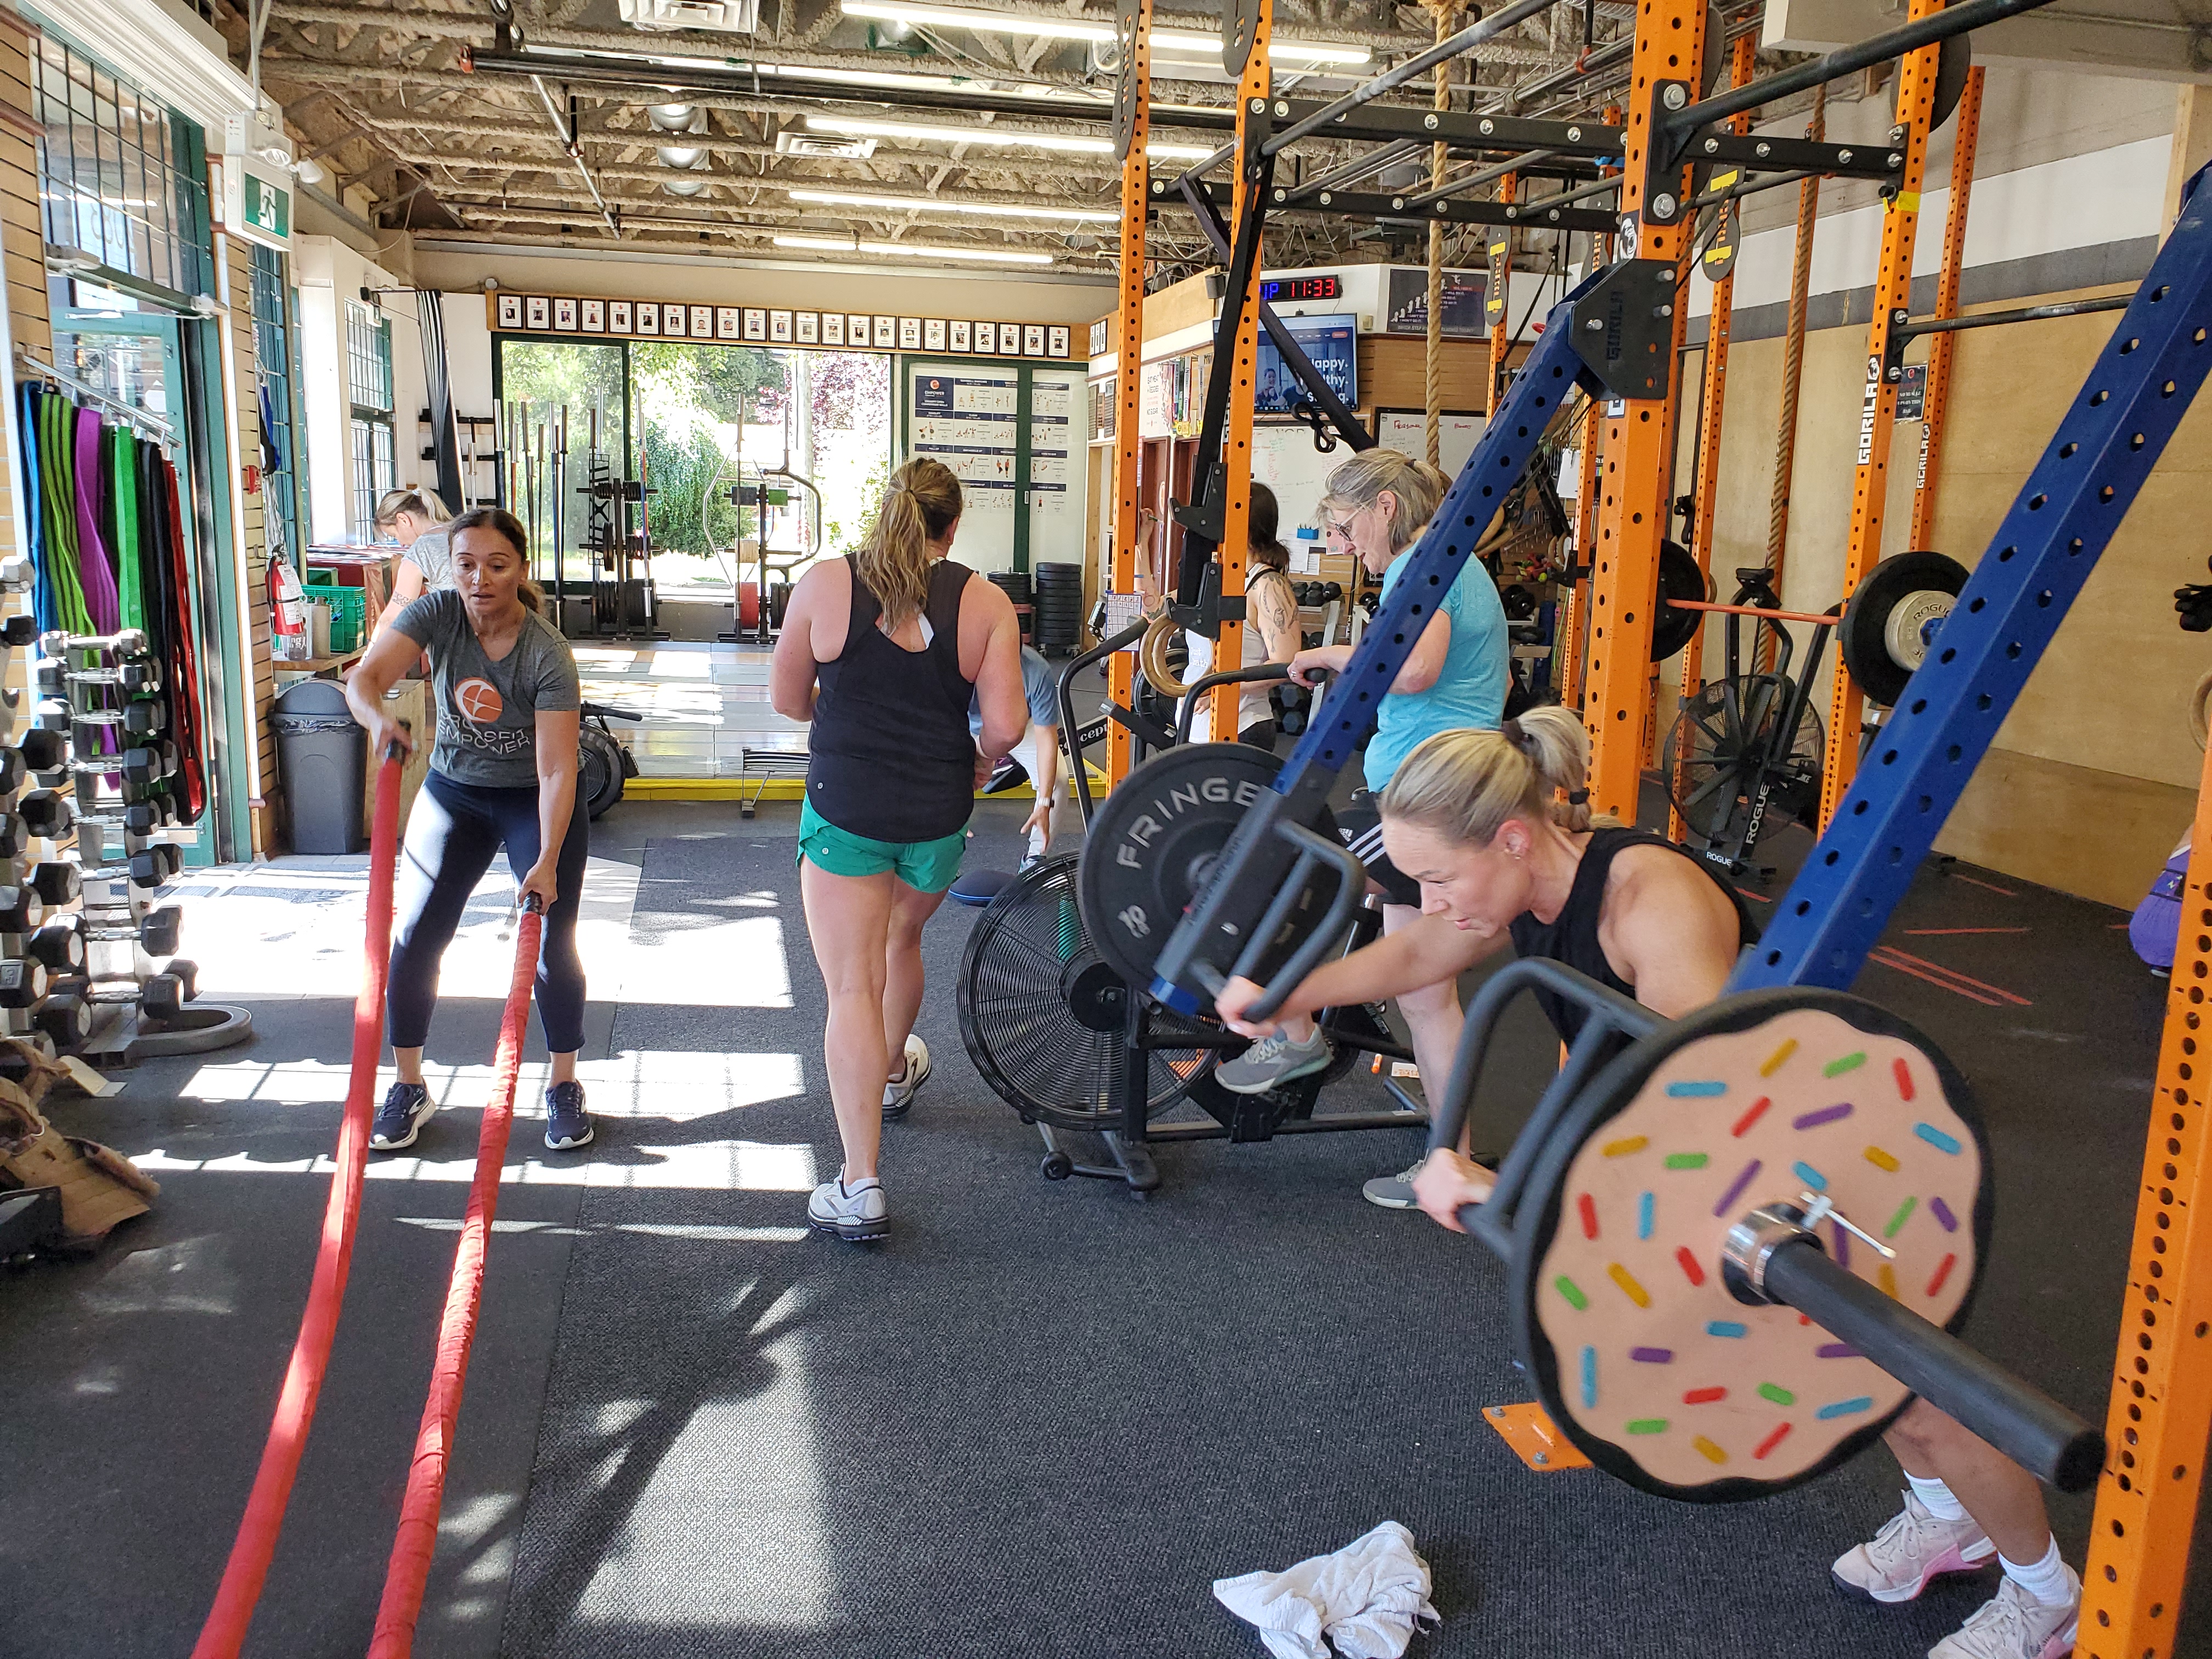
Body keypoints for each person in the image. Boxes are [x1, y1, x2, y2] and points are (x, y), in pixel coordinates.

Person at [1216, 714, 2081, 1659]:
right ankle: (1947, 1520)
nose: (1432, 899)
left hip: (1825, 1153)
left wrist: (1506, 1182)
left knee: (1914, 1392)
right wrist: (1292, 994)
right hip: (1728, 1163)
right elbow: (1423, 952)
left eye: (1437, 877)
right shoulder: (1519, 886)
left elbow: (1687, 1095)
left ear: (1510, 836)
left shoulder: (1648, 896)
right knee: (1855, 1382)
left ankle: (2049, 1593)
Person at [1212, 448, 1511, 1212]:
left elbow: (1413, 671)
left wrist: (1332, 653)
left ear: (1385, 506)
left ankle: (1297, 1030)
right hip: (1429, 792)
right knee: (1425, 995)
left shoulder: (1430, 564)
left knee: (1295, 875)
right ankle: (1452, 1160)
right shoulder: (1441, 564)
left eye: (1345, 527)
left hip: (1428, 803)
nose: (1343, 544)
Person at [771, 456, 1027, 1243]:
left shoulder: (825, 585)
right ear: (951, 528)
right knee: (902, 938)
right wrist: (979, 757)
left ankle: (859, 1183)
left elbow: (788, 702)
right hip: (937, 812)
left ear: (884, 514)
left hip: (848, 808)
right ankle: (887, 1074)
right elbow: (1010, 729)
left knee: (852, 986)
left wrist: (845, 713)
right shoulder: (985, 602)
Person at [345, 506, 594, 1155]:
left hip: (528, 798)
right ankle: (408, 1085)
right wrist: (379, 723)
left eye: (496, 565)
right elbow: (364, 679)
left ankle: (564, 1084)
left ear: (521, 570)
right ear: (450, 567)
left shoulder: (547, 654)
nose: (479, 578)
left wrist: (544, 861)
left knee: (548, 943)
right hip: (454, 792)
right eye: (466, 564)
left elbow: (558, 773)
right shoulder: (437, 614)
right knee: (418, 933)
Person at [1181, 482, 1304, 752]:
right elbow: (1158, 610)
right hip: (1196, 728)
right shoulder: (1221, 577)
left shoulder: (1268, 584)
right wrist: (1142, 545)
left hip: (1241, 729)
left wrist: (1222, 688)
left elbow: (1285, 662)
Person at [975, 643, 1063, 865]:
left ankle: (1034, 862)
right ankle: (944, 853)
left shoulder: (1036, 670)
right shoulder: (964, 662)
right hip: (971, 728)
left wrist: (1044, 803)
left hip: (1024, 726)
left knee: (1058, 783)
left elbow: (1046, 738)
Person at [371, 487, 457, 631]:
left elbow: (392, 619)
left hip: (457, 643)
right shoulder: (463, 531)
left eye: (395, 535)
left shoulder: (421, 551)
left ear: (403, 520)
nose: (401, 544)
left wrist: (371, 652)